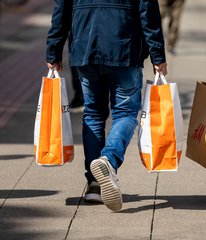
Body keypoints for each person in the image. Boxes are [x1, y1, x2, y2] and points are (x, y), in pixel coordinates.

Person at [46, 0, 167, 212]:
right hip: (124, 47)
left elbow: (61, 11)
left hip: (85, 47)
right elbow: (148, 14)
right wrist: (158, 55)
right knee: (126, 113)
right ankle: (108, 161)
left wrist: (53, 50)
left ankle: (94, 184)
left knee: (92, 113)